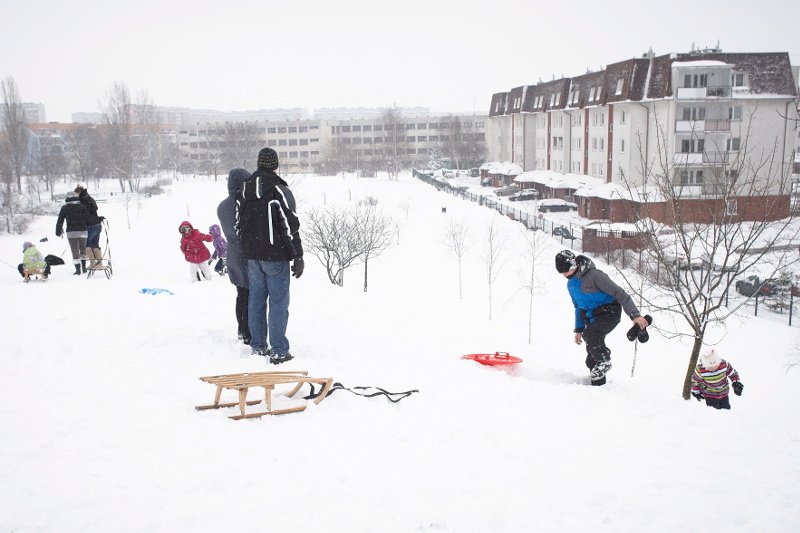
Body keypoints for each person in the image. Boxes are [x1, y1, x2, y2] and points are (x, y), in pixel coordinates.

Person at [235, 148, 304, 364]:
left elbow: (238, 225)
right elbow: (290, 224)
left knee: (256, 301)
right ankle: (279, 350)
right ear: (275, 165)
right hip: (275, 257)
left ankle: (258, 347)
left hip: (253, 258)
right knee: (278, 303)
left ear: (258, 164)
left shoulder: (243, 190)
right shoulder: (278, 190)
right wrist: (298, 255)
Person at [555, 249, 649, 385]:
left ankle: (604, 361)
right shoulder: (570, 285)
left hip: (610, 312)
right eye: (561, 272)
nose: (564, 275)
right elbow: (578, 307)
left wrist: (635, 315)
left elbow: (620, 293)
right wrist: (579, 329)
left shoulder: (594, 276)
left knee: (592, 335)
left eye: (565, 271)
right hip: (592, 316)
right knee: (591, 355)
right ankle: (599, 388)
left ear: (573, 265)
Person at [218, 168, 252, 345]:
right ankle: (248, 332)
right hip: (245, 255)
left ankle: (241, 329)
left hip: (232, 254)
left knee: (241, 294)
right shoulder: (245, 203)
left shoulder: (222, 206)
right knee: (250, 295)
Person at [56, 191, 90, 275]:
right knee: (83, 249)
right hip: (83, 231)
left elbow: (60, 220)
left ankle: (78, 269)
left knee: (74, 250)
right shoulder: (82, 206)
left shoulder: (65, 208)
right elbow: (88, 218)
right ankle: (84, 267)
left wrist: (58, 230)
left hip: (72, 232)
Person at [74, 185, 104, 270]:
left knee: (87, 244)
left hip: (90, 225)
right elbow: (95, 208)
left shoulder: (82, 200)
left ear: (78, 192)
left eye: (76, 194)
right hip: (97, 224)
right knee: (95, 244)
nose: (76, 195)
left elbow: (83, 213)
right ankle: (100, 263)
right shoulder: (90, 198)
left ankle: (93, 263)